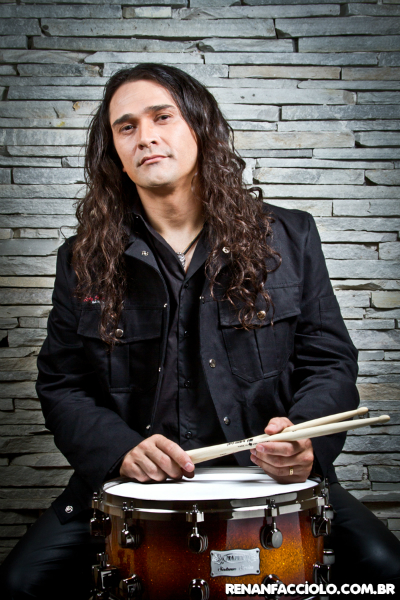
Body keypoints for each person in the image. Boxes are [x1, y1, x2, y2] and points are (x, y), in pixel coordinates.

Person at [0, 64, 399, 599]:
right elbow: (62, 383)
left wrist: (305, 437)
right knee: (21, 583)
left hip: (271, 484)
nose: (145, 136)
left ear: (199, 127)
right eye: (126, 127)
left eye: (162, 117)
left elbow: (329, 361)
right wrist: (120, 450)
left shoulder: (290, 235)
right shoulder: (83, 260)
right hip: (131, 488)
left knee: (386, 568)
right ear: (114, 151)